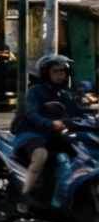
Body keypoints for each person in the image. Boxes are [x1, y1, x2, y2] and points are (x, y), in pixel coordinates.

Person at [14, 54, 91, 200]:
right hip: (33, 134)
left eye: (63, 71)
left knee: (82, 156)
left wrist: (92, 110)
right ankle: (24, 197)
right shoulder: (35, 91)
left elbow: (77, 111)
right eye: (56, 71)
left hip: (57, 136)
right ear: (46, 73)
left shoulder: (64, 94)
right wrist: (49, 123)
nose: (60, 75)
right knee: (40, 156)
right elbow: (31, 113)